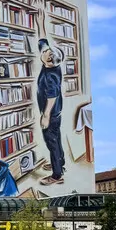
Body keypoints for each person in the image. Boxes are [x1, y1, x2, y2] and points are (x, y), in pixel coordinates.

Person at [36, 38, 65, 185]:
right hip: (56, 113)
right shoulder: (52, 65)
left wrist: (46, 115)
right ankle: (60, 163)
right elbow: (42, 42)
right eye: (45, 51)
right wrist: (41, 26)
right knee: (57, 140)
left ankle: (56, 175)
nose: (44, 52)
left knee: (52, 143)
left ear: (50, 61)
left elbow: (52, 96)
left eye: (47, 53)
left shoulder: (50, 75)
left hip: (51, 114)